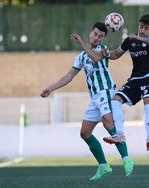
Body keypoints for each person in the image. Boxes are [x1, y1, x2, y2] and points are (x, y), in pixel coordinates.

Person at [40, 22, 134, 181]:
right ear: (91, 33)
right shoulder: (81, 57)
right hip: (95, 97)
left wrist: (82, 43)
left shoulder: (103, 50)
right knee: (84, 132)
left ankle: (126, 159)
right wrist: (51, 88)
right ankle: (104, 166)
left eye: (101, 36)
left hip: (105, 91)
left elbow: (96, 58)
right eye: (95, 34)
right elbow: (69, 76)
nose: (97, 38)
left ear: (103, 38)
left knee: (108, 123)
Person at [102, 14, 149, 151]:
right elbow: (116, 54)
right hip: (135, 79)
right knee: (115, 101)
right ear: (138, 25)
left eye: (146, 28)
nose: (142, 30)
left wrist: (141, 38)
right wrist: (106, 54)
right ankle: (120, 135)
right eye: (141, 27)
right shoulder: (130, 40)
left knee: (148, 101)